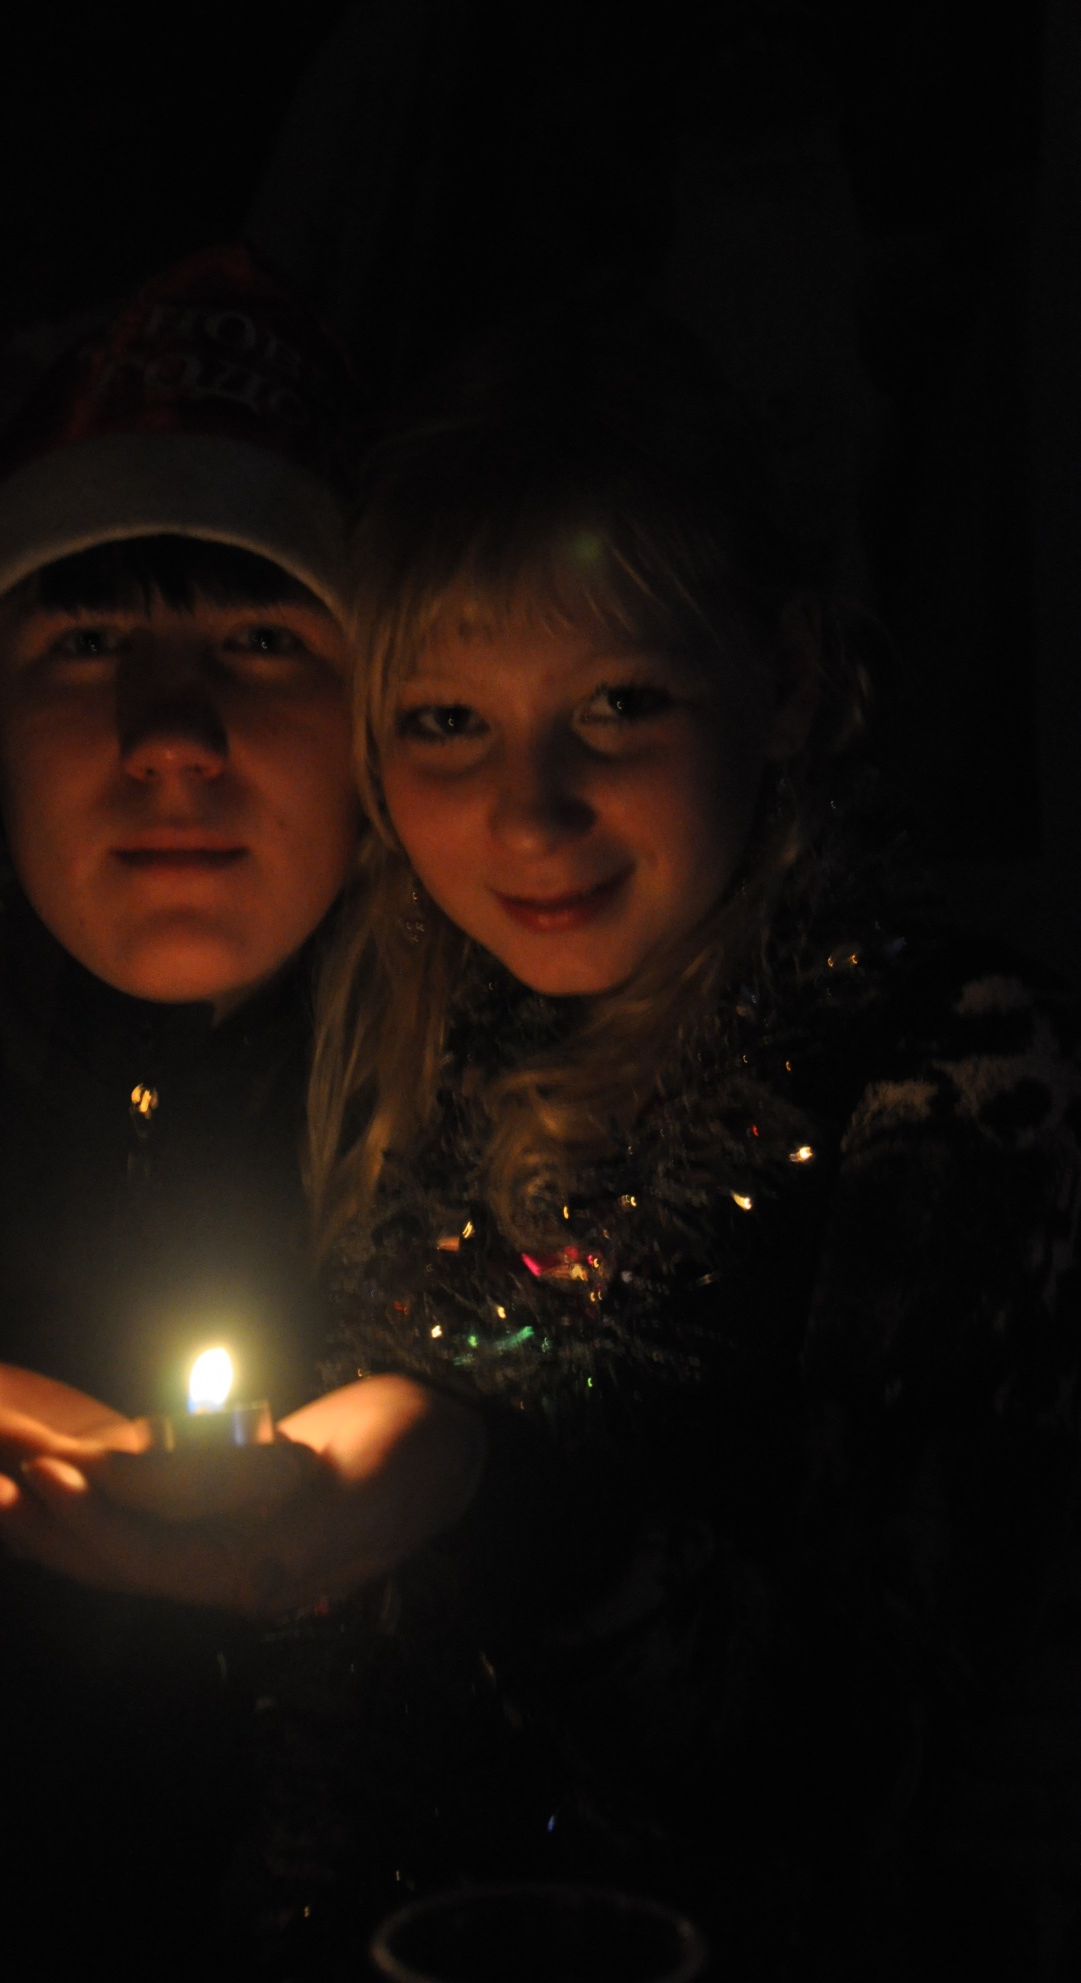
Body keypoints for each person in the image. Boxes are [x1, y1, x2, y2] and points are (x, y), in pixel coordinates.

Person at [286, 293, 1080, 1973]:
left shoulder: (948, 1072)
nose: (528, 813)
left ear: (780, 680)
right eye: (444, 721)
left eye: (619, 702)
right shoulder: (392, 1024)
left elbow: (883, 1770)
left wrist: (474, 1492)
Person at [0, 244, 479, 1975]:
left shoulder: (506, 1038)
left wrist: (470, 1475)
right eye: (84, 643)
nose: (170, 736)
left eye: (264, 638)